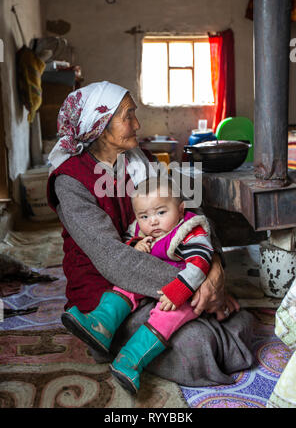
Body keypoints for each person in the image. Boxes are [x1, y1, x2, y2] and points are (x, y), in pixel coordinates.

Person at [47, 81, 254, 388]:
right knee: (198, 342)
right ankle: (102, 332)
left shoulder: (143, 161)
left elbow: (189, 215)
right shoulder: (70, 181)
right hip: (110, 293)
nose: (137, 124)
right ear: (99, 126)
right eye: (128, 116)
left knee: (242, 320)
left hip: (168, 275)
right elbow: (112, 259)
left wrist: (213, 270)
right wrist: (197, 290)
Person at [101, 176, 214, 394]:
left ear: (180, 210)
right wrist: (136, 244)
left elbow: (201, 262)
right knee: (126, 282)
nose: (152, 221)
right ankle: (100, 323)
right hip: (151, 282)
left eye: (161, 213)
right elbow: (126, 241)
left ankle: (129, 360)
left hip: (181, 290)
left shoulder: (189, 231)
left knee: (168, 315)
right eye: (144, 216)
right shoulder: (143, 232)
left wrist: (179, 290)